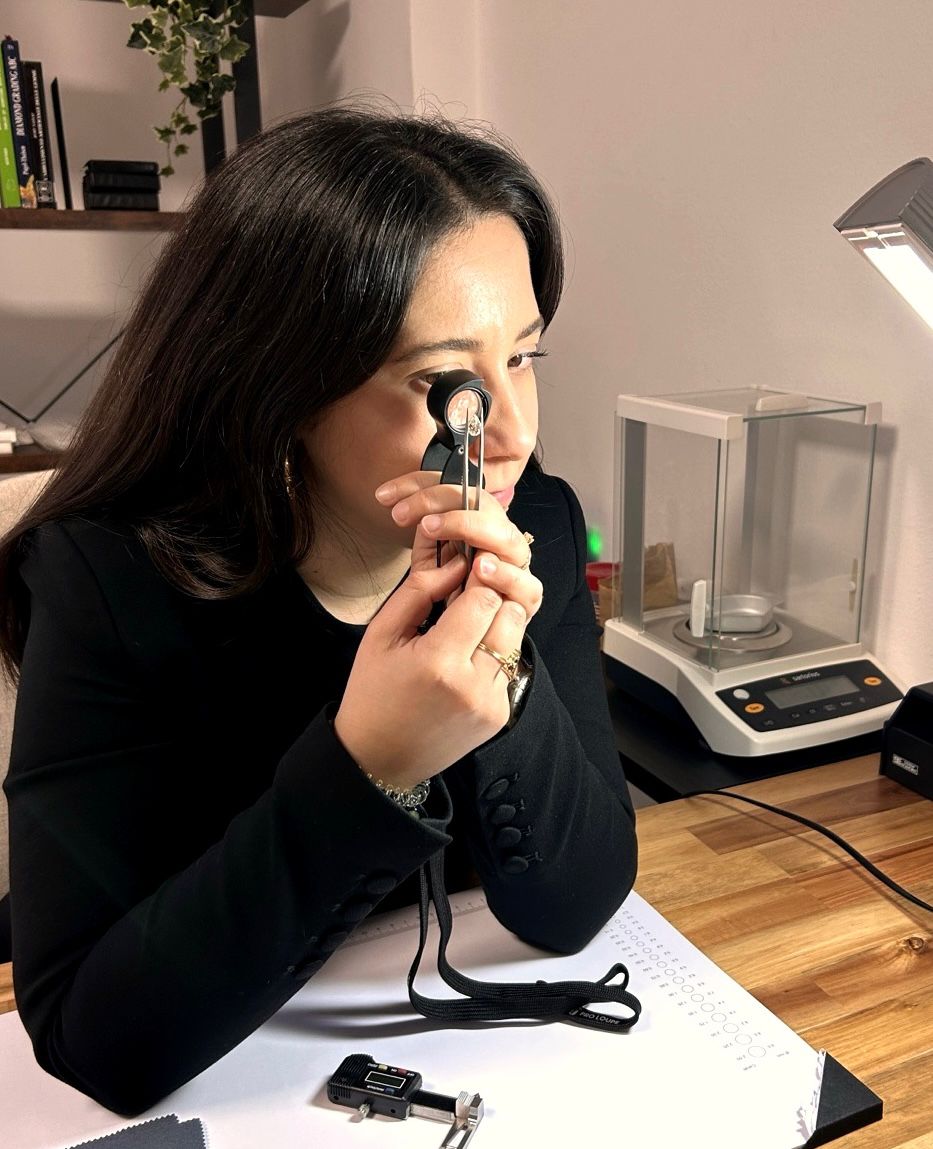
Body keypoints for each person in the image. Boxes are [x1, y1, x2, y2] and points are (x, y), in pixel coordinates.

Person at [0, 105, 638, 1115]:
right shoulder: (108, 577)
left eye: (523, 357)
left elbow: (577, 902)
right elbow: (94, 1042)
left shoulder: (536, 524)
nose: (513, 432)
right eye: (446, 383)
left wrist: (501, 676)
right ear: (282, 386)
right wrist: (370, 765)